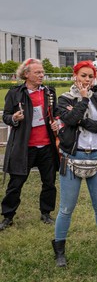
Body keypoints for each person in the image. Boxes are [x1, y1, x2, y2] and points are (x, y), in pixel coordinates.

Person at [52, 61, 97, 267]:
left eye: (90, 76)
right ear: (75, 76)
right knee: (66, 209)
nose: (87, 80)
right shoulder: (64, 99)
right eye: (83, 75)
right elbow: (70, 119)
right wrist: (84, 100)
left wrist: (85, 122)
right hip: (72, 158)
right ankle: (59, 252)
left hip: (96, 157)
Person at [1, 58, 59, 231]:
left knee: (49, 183)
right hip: (24, 147)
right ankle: (8, 216)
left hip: (46, 146)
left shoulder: (49, 92)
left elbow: (55, 113)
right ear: (26, 74)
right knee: (16, 183)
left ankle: (46, 213)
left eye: (42, 72)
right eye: (38, 72)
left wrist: (56, 121)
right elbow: (6, 116)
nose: (42, 75)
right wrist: (13, 118)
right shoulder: (15, 93)